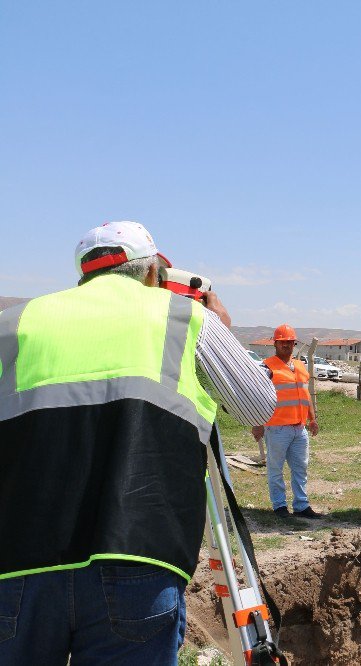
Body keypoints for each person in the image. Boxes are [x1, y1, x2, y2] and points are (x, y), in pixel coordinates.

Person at [0, 221, 276, 664]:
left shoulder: (13, 324)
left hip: (18, 563)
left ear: (84, 275)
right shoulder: (185, 318)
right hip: (138, 558)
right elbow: (258, 405)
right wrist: (221, 329)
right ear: (151, 274)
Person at [252, 324, 322, 519]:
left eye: (290, 342)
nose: (287, 346)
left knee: (300, 468)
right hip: (276, 428)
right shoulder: (266, 366)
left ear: (294, 344)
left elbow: (305, 394)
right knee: (275, 469)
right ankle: (280, 507)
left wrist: (312, 419)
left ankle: (301, 506)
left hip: (299, 429)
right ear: (275, 343)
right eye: (283, 342)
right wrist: (257, 423)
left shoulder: (299, 366)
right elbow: (257, 396)